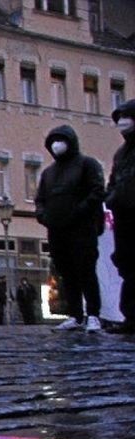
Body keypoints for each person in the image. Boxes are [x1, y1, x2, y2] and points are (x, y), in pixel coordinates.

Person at [36, 125, 106, 333]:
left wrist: (79, 211)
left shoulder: (87, 164)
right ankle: (75, 315)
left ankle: (93, 314)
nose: (57, 144)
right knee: (66, 273)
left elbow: (96, 191)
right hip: (57, 229)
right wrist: (43, 216)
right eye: (53, 140)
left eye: (61, 139)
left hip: (82, 228)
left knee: (86, 271)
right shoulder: (48, 173)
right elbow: (40, 198)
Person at [105, 99, 135, 334]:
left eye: (128, 116)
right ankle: (131, 316)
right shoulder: (121, 154)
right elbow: (113, 181)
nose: (123, 122)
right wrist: (111, 198)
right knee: (127, 264)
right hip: (123, 214)